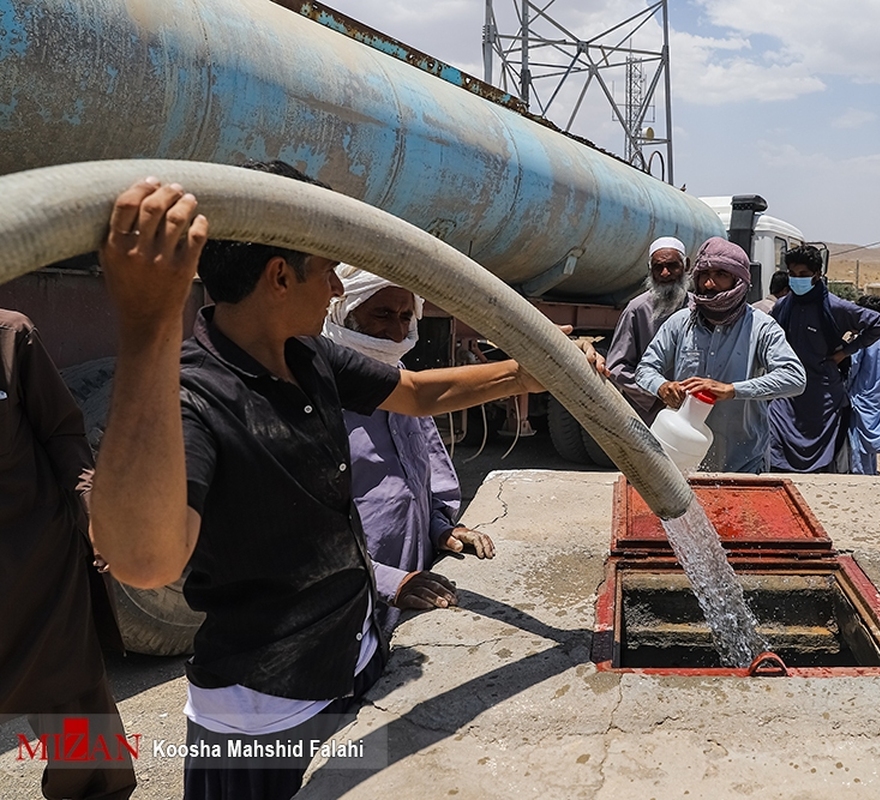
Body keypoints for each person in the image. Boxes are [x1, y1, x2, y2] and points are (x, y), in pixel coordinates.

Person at [88, 162, 597, 799]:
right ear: (279, 277)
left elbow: (414, 393)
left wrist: (531, 370)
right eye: (326, 269)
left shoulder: (306, 356)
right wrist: (145, 327)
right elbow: (143, 560)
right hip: (263, 714)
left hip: (350, 661)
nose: (335, 288)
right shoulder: (192, 396)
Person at [0, 310, 136, 800]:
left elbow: (63, 435)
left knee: (75, 705)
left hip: (36, 561)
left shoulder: (12, 337)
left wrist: (96, 518)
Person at [323, 266, 494, 638]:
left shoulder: (400, 379)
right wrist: (388, 582)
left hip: (409, 593)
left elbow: (424, 474)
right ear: (343, 312)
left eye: (405, 317)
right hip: (345, 604)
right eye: (382, 315)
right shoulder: (317, 394)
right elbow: (301, 535)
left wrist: (441, 528)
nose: (397, 332)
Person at [634, 236, 807, 472]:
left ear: (739, 281)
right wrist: (662, 386)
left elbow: (795, 378)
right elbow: (645, 369)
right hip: (681, 461)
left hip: (744, 462)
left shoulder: (761, 327)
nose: (708, 284)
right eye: (704, 274)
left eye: (720, 275)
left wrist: (731, 390)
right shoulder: (680, 322)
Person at [767, 244, 880, 473]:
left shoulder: (834, 306)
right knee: (776, 448)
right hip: (787, 394)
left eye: (803, 275)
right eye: (793, 275)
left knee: (820, 461)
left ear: (817, 275)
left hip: (821, 396)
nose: (797, 280)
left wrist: (846, 351)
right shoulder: (783, 306)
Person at [607, 236, 692, 424]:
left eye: (672, 266)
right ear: (649, 270)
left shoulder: (698, 310)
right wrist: (657, 393)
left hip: (693, 413)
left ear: (686, 266)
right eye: (658, 267)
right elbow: (617, 366)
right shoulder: (637, 309)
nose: (665, 273)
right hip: (648, 415)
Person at [846, 294, 880, 475]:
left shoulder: (863, 341)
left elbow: (851, 370)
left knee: (856, 448)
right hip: (874, 400)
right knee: (868, 449)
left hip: (859, 399)